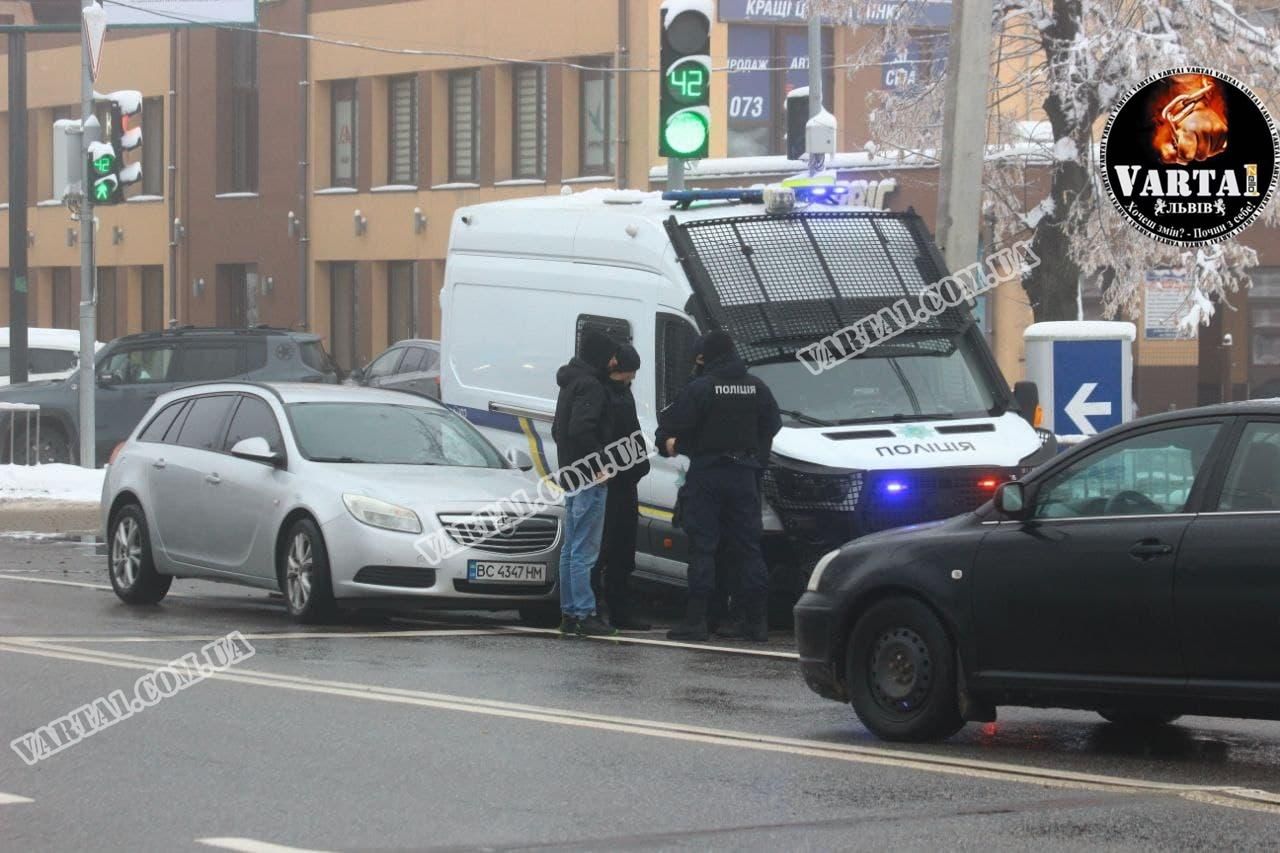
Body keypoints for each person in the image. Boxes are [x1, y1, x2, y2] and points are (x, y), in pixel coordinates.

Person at [656, 330, 782, 643]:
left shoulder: (702, 387)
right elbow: (773, 425)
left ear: (705, 356)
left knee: (703, 548)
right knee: (749, 548)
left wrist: (680, 444)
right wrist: (757, 459)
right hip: (744, 476)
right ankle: (755, 622)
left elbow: (670, 428)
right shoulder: (756, 386)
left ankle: (698, 621)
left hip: (708, 475)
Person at [551, 330, 619, 637]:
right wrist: (600, 464)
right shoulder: (592, 386)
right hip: (589, 476)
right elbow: (582, 429)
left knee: (570, 549)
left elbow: (558, 429)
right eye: (611, 355)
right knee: (584, 550)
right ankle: (584, 612)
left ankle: (569, 613)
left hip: (570, 473)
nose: (614, 361)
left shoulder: (570, 383)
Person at [591, 344, 653, 630]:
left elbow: (632, 432)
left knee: (622, 549)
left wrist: (639, 464)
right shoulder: (602, 392)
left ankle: (619, 611)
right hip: (611, 480)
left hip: (625, 479)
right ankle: (596, 609)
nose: (631, 379)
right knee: (604, 547)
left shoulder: (620, 393)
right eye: (630, 373)